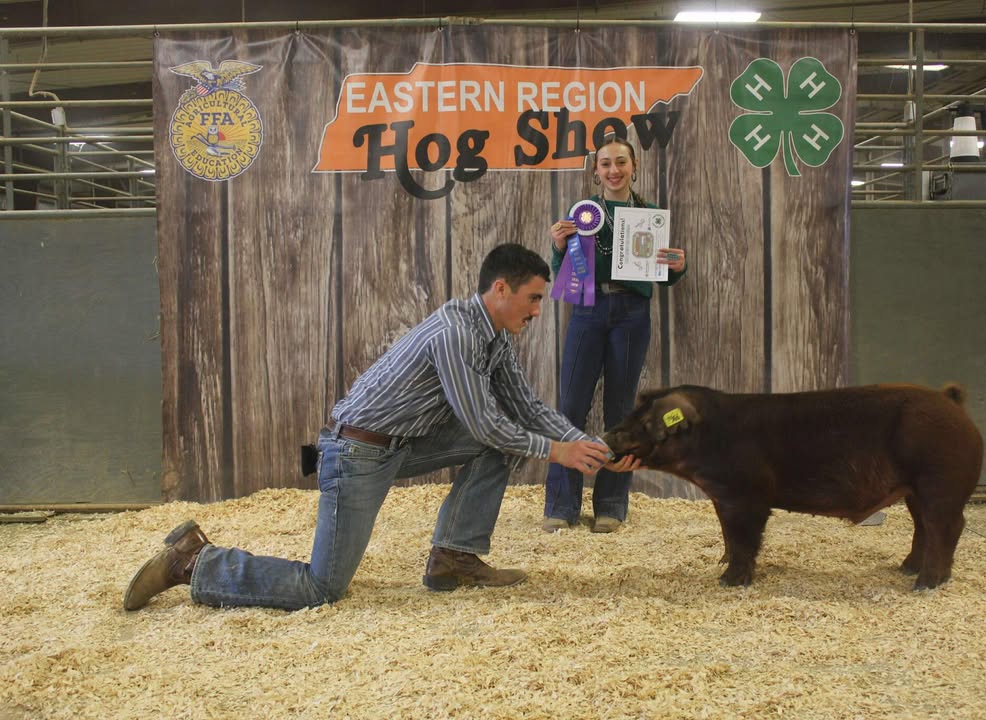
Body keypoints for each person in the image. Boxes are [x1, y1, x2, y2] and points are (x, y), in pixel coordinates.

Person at [124, 243, 636, 611]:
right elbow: (483, 420)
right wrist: (557, 452)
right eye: (533, 299)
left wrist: (582, 443)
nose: (537, 311)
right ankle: (196, 562)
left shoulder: (495, 335)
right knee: (320, 588)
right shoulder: (457, 332)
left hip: (403, 443)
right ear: (500, 289)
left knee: (500, 445)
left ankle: (452, 557)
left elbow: (524, 407)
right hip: (357, 454)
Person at [543, 136, 688, 534]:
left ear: (634, 166)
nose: (613, 170)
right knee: (570, 406)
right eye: (605, 163)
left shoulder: (652, 215)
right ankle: (560, 505)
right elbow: (567, 275)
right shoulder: (581, 214)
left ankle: (611, 504)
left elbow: (666, 276)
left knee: (621, 410)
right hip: (588, 311)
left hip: (632, 314)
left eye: (620, 162)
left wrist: (678, 266)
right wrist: (559, 247)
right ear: (596, 171)